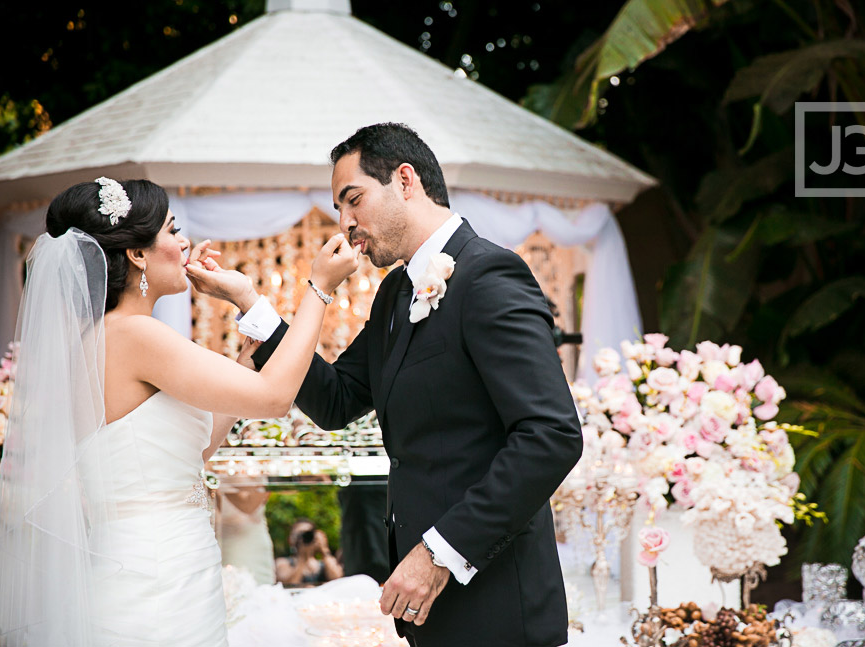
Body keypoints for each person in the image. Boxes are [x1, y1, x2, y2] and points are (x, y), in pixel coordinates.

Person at [193, 123, 583, 647]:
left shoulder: (490, 276)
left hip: (496, 603)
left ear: (405, 180)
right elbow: (335, 400)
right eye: (339, 208)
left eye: (353, 200)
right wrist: (249, 303)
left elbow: (551, 434)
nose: (345, 223)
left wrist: (438, 553)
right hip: (427, 608)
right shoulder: (396, 292)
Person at [0, 177, 358, 647]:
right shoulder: (136, 335)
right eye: (172, 229)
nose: (185, 243)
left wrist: (246, 359)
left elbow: (194, 451)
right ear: (138, 255)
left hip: (173, 565)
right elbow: (275, 398)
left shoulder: (107, 338)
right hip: (154, 575)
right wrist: (319, 288)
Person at [274, 518, 343, 587]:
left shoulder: (324, 564)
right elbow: (291, 584)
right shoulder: (283, 563)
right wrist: (302, 558)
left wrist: (324, 550)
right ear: (290, 539)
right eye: (300, 534)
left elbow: (337, 580)